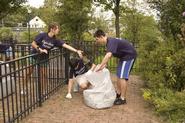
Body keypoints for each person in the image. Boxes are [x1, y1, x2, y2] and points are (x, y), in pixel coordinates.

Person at [22, 22, 83, 97]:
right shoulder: (42, 35)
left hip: (44, 59)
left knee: (44, 75)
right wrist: (40, 49)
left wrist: (76, 51)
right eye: (57, 28)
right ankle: (24, 88)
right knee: (28, 73)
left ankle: (43, 92)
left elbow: (65, 45)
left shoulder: (55, 40)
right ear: (52, 29)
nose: (58, 30)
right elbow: (33, 44)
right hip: (34, 56)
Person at [93, 29, 137, 105]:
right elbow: (110, 55)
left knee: (122, 76)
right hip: (123, 57)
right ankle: (118, 93)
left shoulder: (111, 42)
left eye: (97, 39)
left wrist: (101, 65)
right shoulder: (109, 43)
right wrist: (104, 64)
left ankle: (123, 99)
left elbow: (108, 55)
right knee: (118, 75)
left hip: (129, 56)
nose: (97, 41)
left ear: (101, 37)